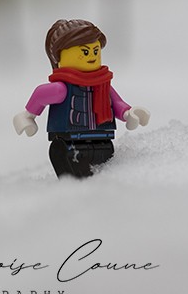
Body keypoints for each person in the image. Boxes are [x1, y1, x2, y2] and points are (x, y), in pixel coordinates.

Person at [13, 19, 150, 178]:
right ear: (59, 57)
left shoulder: (103, 85)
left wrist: (128, 113)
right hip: (69, 143)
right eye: (85, 52)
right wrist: (27, 116)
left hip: (103, 140)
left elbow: (116, 103)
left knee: (103, 175)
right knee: (76, 177)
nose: (92, 56)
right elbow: (40, 95)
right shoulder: (61, 89)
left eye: (96, 51)